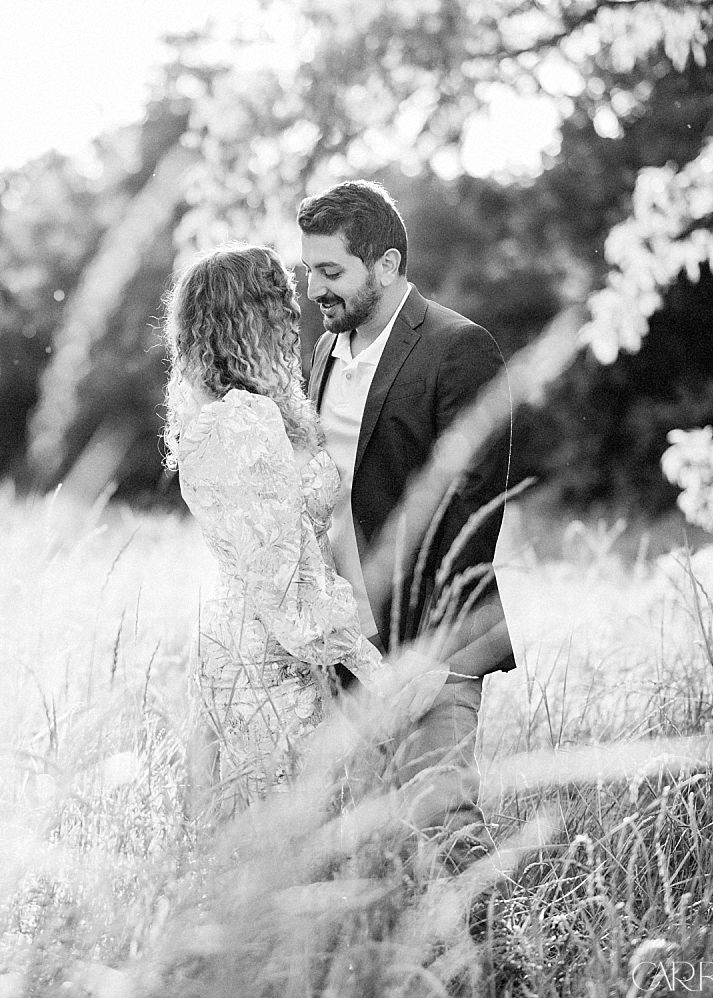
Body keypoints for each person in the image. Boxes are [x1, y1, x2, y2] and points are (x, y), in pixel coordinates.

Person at [162, 243, 428, 815]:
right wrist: (373, 669)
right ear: (249, 316)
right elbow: (285, 582)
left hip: (239, 638)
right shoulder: (244, 423)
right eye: (280, 303)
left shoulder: (220, 412)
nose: (295, 314)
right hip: (270, 656)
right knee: (298, 830)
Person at [299, 180, 516, 848]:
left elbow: (474, 509)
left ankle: (492, 951)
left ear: (387, 264)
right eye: (310, 271)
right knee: (368, 837)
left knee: (445, 821)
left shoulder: (460, 346)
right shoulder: (322, 356)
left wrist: (432, 648)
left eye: (331, 271)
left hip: (433, 639)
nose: (314, 290)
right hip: (344, 643)